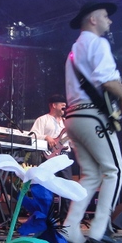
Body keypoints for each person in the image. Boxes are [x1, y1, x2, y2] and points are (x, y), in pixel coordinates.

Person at [62, 1, 122, 243]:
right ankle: (100, 229)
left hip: (73, 118)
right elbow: (107, 80)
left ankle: (70, 228)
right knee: (115, 170)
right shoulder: (98, 43)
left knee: (90, 175)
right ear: (92, 19)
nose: (109, 20)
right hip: (92, 116)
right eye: (105, 16)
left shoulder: (73, 51)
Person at [29, 93, 73, 222]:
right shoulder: (43, 120)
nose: (64, 106)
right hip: (49, 156)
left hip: (64, 156)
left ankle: (65, 217)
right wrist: (46, 137)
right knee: (48, 187)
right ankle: (48, 217)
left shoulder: (66, 122)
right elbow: (32, 135)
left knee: (67, 186)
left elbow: (69, 142)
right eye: (62, 104)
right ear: (54, 105)